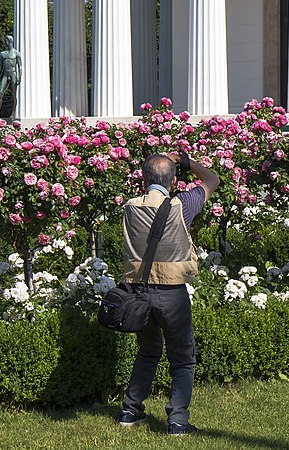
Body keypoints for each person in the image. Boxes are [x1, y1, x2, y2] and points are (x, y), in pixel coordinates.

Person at [118, 152, 220, 436]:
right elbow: (213, 180)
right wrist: (186, 162)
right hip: (172, 293)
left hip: (138, 294)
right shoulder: (182, 204)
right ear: (174, 180)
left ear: (143, 178)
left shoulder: (130, 206)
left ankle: (130, 411)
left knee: (147, 352)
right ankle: (177, 421)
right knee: (182, 359)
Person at [0, 35, 22, 117]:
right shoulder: (3, 54)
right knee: (0, 93)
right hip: (5, 74)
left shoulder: (17, 54)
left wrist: (19, 77)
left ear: (10, 42)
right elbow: (0, 66)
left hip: (13, 73)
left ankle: (13, 114)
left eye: (6, 41)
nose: (5, 42)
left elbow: (20, 66)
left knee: (13, 94)